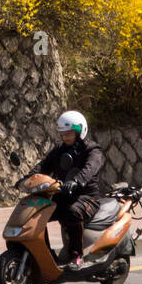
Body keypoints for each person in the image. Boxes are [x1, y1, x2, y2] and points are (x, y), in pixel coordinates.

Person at [37, 110, 104, 269]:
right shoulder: (60, 149)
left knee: (72, 212)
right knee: (38, 212)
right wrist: (28, 178)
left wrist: (76, 181)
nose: (65, 137)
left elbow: (89, 169)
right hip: (64, 195)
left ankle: (76, 255)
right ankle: (45, 253)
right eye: (63, 134)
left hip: (88, 198)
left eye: (69, 133)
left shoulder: (93, 150)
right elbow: (43, 165)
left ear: (80, 131)